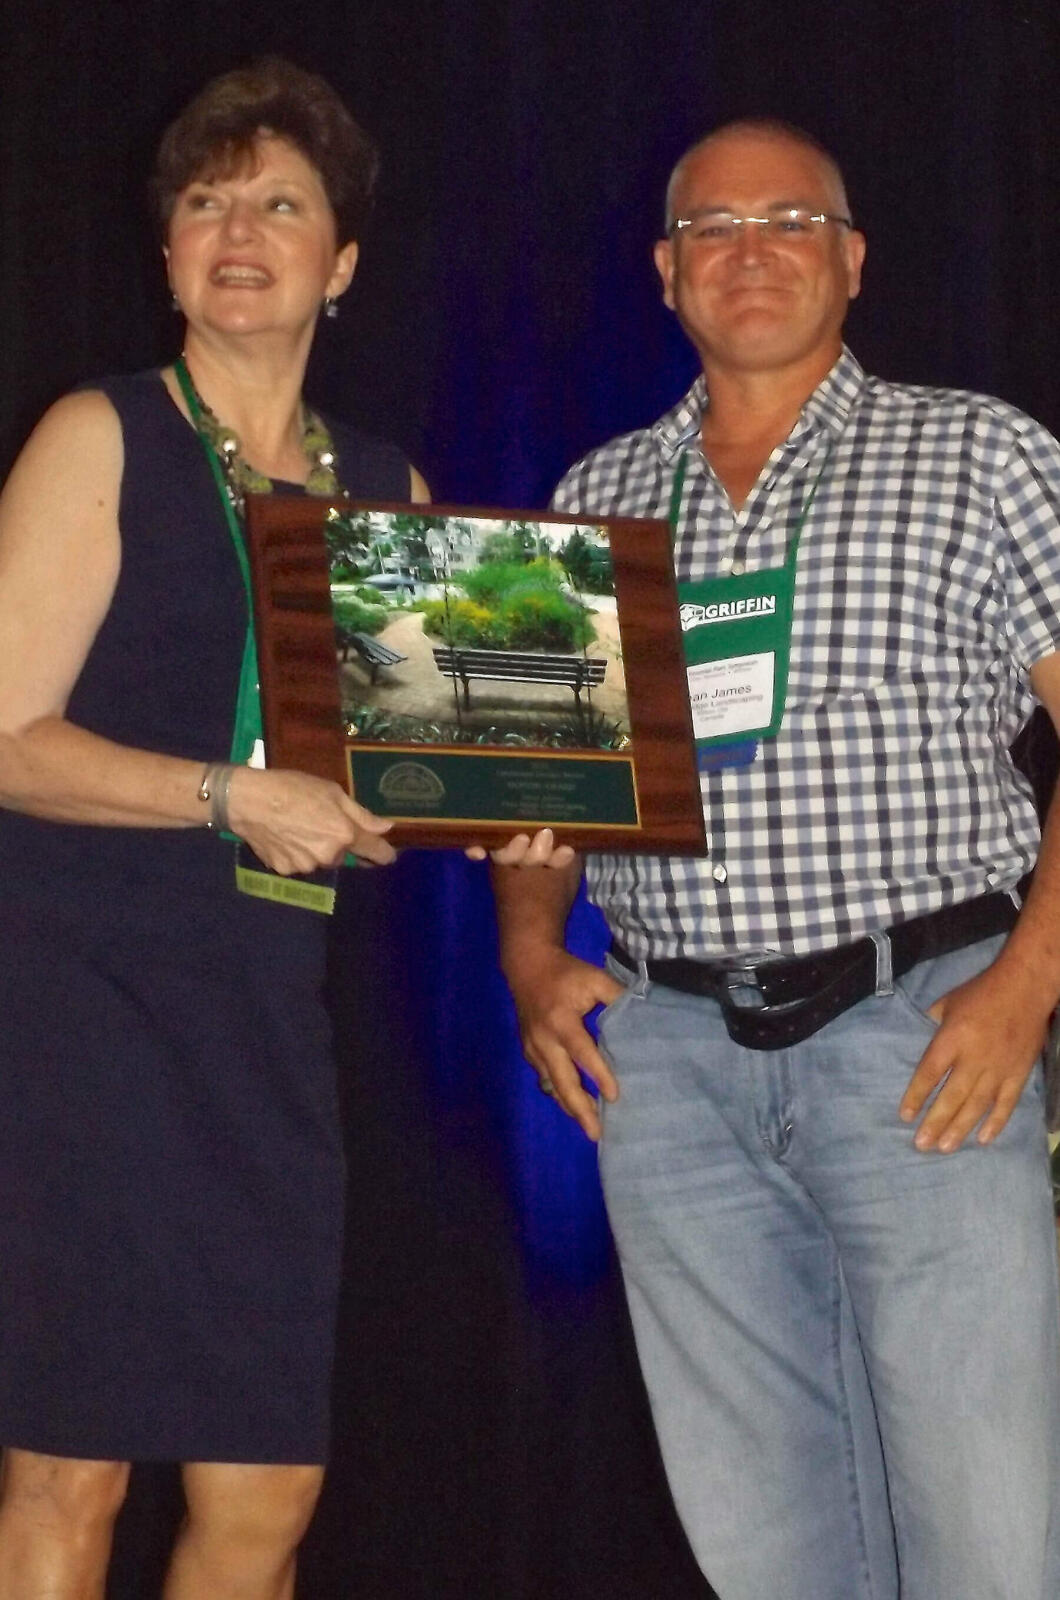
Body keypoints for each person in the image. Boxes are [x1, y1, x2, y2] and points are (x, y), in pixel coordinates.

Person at [0, 55, 569, 1600]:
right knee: (70, 1466)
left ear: (346, 262)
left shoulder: (387, 490)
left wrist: (513, 816)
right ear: (168, 250)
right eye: (203, 200)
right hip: (80, 1004)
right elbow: (6, 739)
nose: (237, 227)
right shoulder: (99, 434)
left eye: (280, 201)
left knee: (268, 1486)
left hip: (263, 1013)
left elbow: (431, 771)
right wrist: (227, 793)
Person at [492, 119, 1060, 1600]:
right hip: (668, 1063)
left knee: (986, 1531)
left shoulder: (981, 452)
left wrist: (1028, 986)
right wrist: (530, 950)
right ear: (667, 273)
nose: (751, 251)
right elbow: (531, 790)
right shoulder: (592, 494)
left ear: (852, 259)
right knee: (766, 1545)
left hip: (926, 1034)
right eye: (715, 228)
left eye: (790, 221)